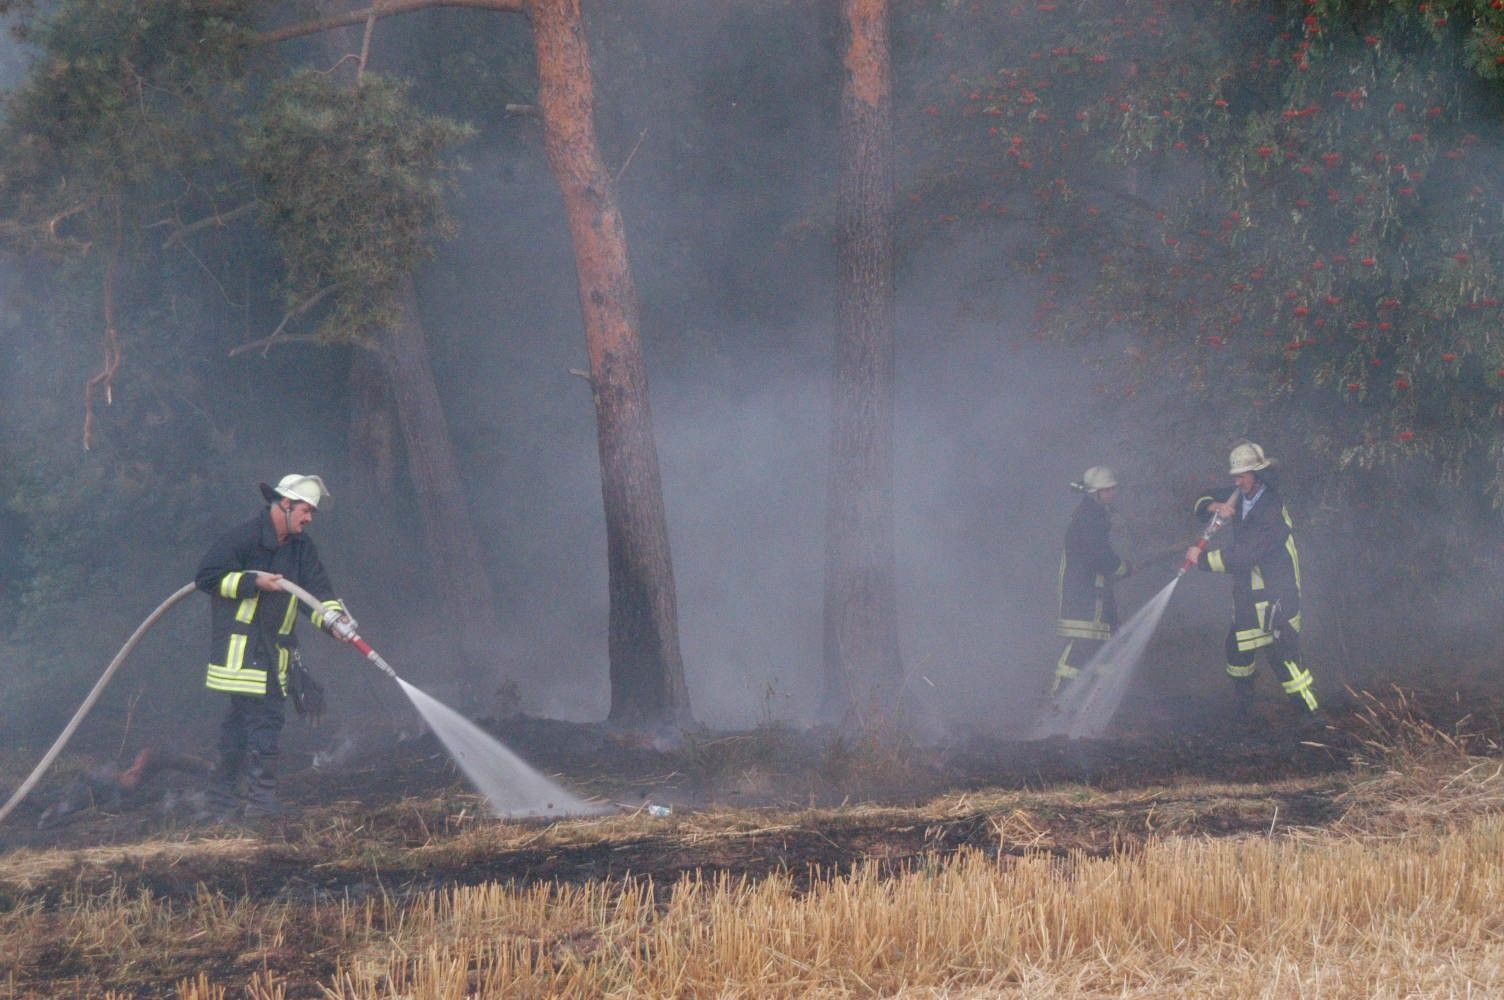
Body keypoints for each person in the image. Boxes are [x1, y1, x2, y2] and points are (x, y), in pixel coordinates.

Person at [194, 474, 356, 818]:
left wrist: (335, 622)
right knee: (265, 721)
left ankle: (219, 802)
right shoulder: (244, 538)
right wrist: (253, 581)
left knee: (239, 727)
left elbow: (316, 594)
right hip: (244, 653)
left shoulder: (301, 548)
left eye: (311, 512)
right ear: (285, 504)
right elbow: (207, 577)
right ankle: (260, 804)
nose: (309, 518)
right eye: (305, 510)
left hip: (273, 653)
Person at [1184, 442, 1319, 722]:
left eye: (1243, 476)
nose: (1237, 482)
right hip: (1249, 595)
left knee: (1283, 657)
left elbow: (1245, 555)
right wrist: (1214, 506)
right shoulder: (1239, 495)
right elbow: (1199, 500)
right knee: (1237, 650)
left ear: (1258, 474)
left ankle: (1312, 715)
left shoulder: (1270, 508)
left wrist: (1202, 559)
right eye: (1235, 476)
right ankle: (1244, 710)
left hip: (1276, 594)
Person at [1052, 466, 1131, 695]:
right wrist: (1122, 568)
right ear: (1095, 493)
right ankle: (1056, 701)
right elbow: (1101, 556)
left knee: (1103, 649)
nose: (1112, 493)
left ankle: (1093, 700)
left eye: (1113, 488)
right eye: (1107, 490)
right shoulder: (1089, 519)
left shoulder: (1092, 516)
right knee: (1081, 647)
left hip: (1093, 596)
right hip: (1085, 598)